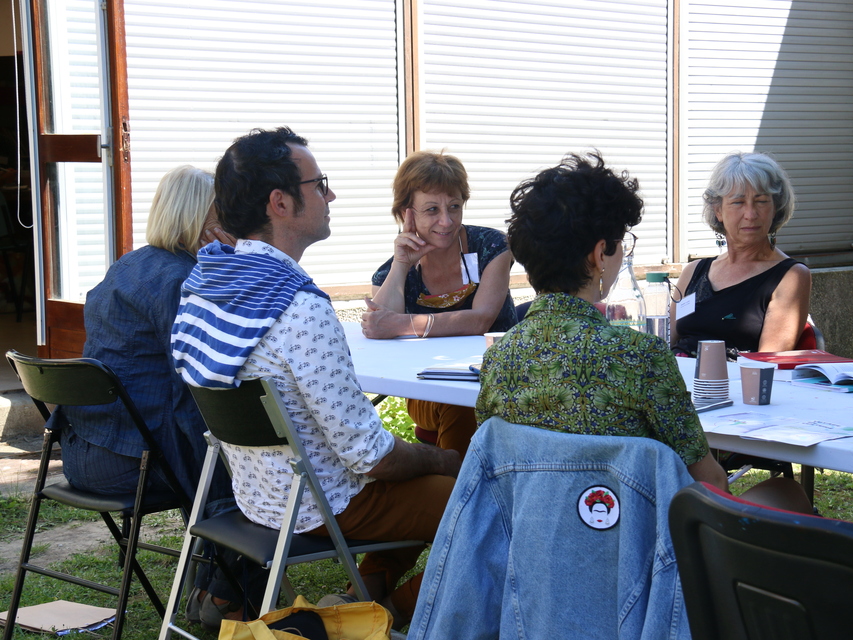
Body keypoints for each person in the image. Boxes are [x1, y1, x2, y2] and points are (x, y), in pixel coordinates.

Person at [170, 127, 460, 629]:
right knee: (493, 497)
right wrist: (450, 458)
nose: (330, 195)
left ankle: (362, 596)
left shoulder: (206, 285)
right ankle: (395, 614)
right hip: (324, 506)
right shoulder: (298, 307)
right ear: (280, 203)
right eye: (319, 184)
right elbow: (373, 457)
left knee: (430, 478)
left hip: (259, 497)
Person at [476, 151, 811, 512]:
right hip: (640, 538)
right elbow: (710, 481)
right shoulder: (639, 357)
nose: (750, 213)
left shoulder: (498, 357)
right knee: (787, 494)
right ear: (600, 253)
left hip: (538, 531)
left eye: (761, 201)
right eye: (623, 241)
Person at [51, 165, 240, 628]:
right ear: (202, 217)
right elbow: (192, 399)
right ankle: (223, 597)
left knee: (225, 461)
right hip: (130, 464)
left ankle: (213, 586)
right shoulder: (182, 281)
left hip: (83, 453)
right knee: (252, 471)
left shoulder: (127, 265)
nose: (235, 219)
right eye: (226, 210)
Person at [361, 151, 517, 458]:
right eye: (432, 209)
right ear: (408, 213)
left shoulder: (492, 246)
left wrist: (404, 325)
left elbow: (482, 319)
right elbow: (377, 328)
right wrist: (401, 266)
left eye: (454, 206)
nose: (446, 221)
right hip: (430, 388)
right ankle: (454, 493)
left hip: (501, 380)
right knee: (458, 403)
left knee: (467, 402)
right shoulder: (390, 272)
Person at [671, 152, 812, 360]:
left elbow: (767, 364)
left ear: (775, 208)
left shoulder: (790, 276)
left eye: (761, 201)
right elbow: (667, 344)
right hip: (677, 383)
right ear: (718, 210)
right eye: (738, 202)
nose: (751, 214)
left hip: (735, 388)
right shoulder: (693, 271)